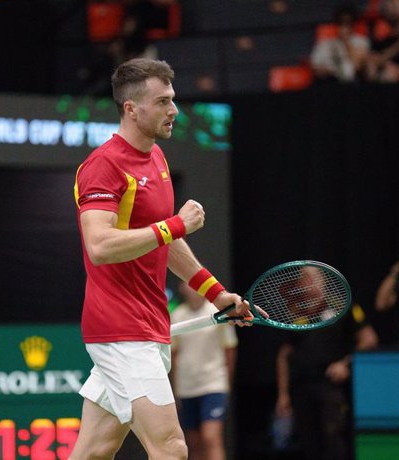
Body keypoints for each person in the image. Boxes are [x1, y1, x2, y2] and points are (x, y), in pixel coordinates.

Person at [70, 58, 264, 460]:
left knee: (93, 452)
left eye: (173, 100)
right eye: (162, 102)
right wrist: (174, 225)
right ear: (131, 109)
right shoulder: (103, 166)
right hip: (121, 330)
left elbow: (164, 243)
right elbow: (100, 246)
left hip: (147, 324)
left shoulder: (156, 159)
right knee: (172, 448)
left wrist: (215, 292)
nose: (174, 110)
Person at [274, 303, 379, 460]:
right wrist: (283, 394)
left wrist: (345, 364)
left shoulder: (343, 307)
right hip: (302, 388)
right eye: (303, 281)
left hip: (332, 387)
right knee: (309, 443)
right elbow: (283, 356)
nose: (307, 285)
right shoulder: (296, 314)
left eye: (311, 280)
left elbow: (369, 340)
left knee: (334, 438)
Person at [170, 282, 238, 460]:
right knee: (193, 442)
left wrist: (226, 383)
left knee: (211, 437)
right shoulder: (177, 315)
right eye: (187, 285)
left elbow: (229, 350)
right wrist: (175, 390)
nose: (192, 289)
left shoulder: (217, 313)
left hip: (214, 384)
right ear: (182, 289)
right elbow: (174, 356)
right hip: (186, 387)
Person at [310, 3, 371, 84]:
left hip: (352, 83)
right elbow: (315, 65)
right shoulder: (325, 44)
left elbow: (357, 65)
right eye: (341, 23)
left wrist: (346, 43)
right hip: (329, 82)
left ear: (353, 23)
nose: (344, 27)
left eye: (348, 23)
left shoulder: (362, 41)